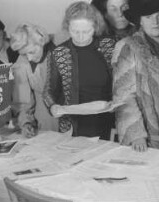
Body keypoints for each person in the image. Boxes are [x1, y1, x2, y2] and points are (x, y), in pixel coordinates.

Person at [112, 0, 159, 151]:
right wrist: (136, 134)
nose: (155, 22)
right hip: (151, 132)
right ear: (140, 21)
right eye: (148, 17)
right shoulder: (128, 47)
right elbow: (123, 96)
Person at [43, 1, 115, 140]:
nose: (81, 37)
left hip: (109, 122)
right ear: (67, 27)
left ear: (95, 26)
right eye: (75, 31)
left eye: (86, 31)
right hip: (74, 126)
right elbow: (49, 89)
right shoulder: (60, 53)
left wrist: (117, 100)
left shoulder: (109, 45)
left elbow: (121, 82)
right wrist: (52, 106)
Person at [10, 23, 58, 137]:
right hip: (44, 121)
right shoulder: (22, 61)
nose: (29, 58)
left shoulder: (60, 52)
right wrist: (26, 122)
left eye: (31, 52)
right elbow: (22, 100)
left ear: (41, 41)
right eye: (24, 54)